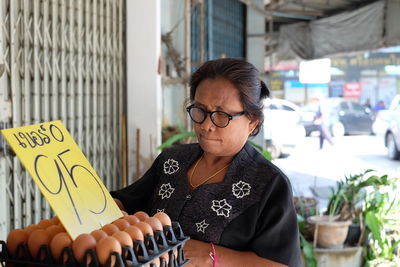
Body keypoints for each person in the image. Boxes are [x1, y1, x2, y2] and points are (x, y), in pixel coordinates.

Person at [111, 58, 301, 266]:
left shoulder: (268, 184)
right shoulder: (172, 161)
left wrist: (209, 255)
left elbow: (281, 263)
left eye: (221, 115)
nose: (206, 125)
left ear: (252, 121)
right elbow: (125, 203)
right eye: (200, 110)